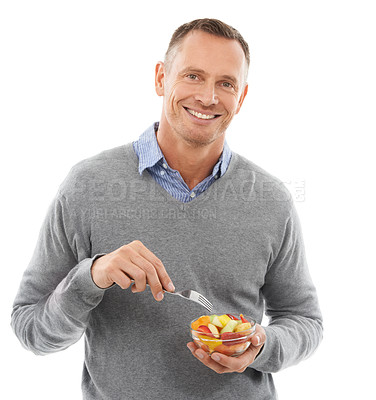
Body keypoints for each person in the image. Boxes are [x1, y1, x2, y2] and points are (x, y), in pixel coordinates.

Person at [11, 18, 323, 399]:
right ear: (161, 78)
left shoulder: (272, 200)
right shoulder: (87, 187)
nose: (208, 96)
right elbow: (31, 330)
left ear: (241, 97)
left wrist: (261, 344)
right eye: (193, 75)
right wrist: (92, 276)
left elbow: (304, 320)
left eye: (226, 83)